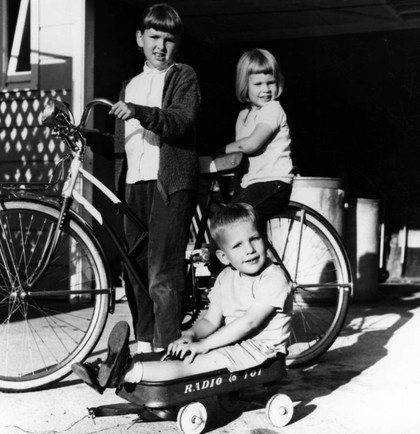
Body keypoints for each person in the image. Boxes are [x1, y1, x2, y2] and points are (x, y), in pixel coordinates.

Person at [72, 202, 292, 392]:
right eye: (238, 245)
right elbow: (210, 320)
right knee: (177, 354)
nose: (250, 249)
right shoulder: (226, 277)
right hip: (233, 344)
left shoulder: (274, 278)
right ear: (224, 257)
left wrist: (204, 345)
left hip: (260, 351)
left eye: (254, 239)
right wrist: (191, 335)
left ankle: (126, 373)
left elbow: (250, 322)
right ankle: (106, 366)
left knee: (191, 365)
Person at [92, 3, 201, 354]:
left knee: (162, 274)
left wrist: (137, 112)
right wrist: (90, 138)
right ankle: (144, 348)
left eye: (168, 39)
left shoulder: (184, 77)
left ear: (177, 44)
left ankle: (168, 354)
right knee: (135, 273)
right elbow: (123, 146)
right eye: (154, 37)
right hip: (134, 185)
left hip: (168, 185)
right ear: (140, 38)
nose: (160, 46)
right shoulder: (130, 86)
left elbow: (179, 121)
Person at [213, 48, 294, 221]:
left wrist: (220, 151)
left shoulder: (272, 108)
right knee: (228, 218)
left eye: (270, 82)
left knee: (232, 220)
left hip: (273, 183)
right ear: (244, 85)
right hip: (251, 184)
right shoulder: (243, 115)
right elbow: (240, 156)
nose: (266, 89)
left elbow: (251, 144)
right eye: (258, 84)